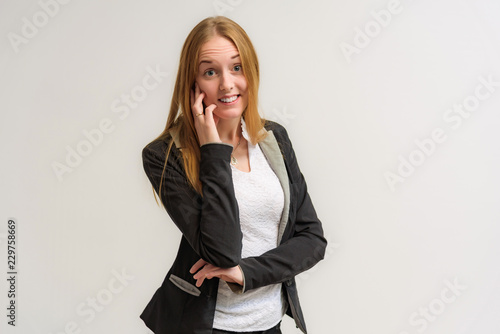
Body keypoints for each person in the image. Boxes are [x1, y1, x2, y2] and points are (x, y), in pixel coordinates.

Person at [140, 16, 327, 334]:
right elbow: (222, 251)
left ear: (250, 72)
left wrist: (247, 273)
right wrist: (213, 150)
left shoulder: (274, 139)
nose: (227, 83)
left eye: (236, 67)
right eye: (210, 71)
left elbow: (312, 239)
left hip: (269, 323)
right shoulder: (164, 156)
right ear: (193, 82)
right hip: (208, 326)